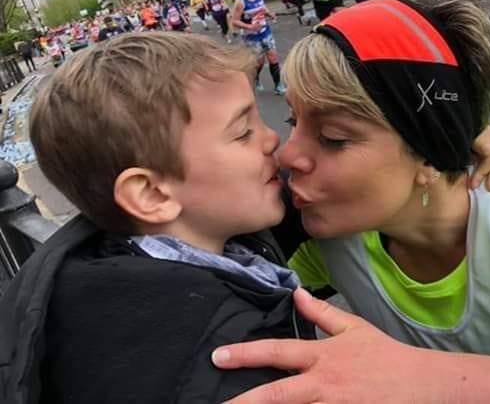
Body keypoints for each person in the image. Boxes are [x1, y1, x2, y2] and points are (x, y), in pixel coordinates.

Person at [211, 0, 490, 403]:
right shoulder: (328, 238)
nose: (288, 154)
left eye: (332, 137)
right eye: (294, 122)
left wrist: (422, 379)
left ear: (429, 156)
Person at [0, 32, 316, 404]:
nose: (272, 140)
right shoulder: (223, 368)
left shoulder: (102, 279)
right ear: (150, 195)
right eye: (243, 132)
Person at [232, 0, 286, 96]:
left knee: (273, 57)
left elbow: (263, 9)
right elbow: (234, 21)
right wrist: (250, 27)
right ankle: (256, 78)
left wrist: (270, 14)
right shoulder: (240, 2)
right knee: (259, 62)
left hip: (266, 32)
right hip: (252, 37)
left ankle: (278, 85)